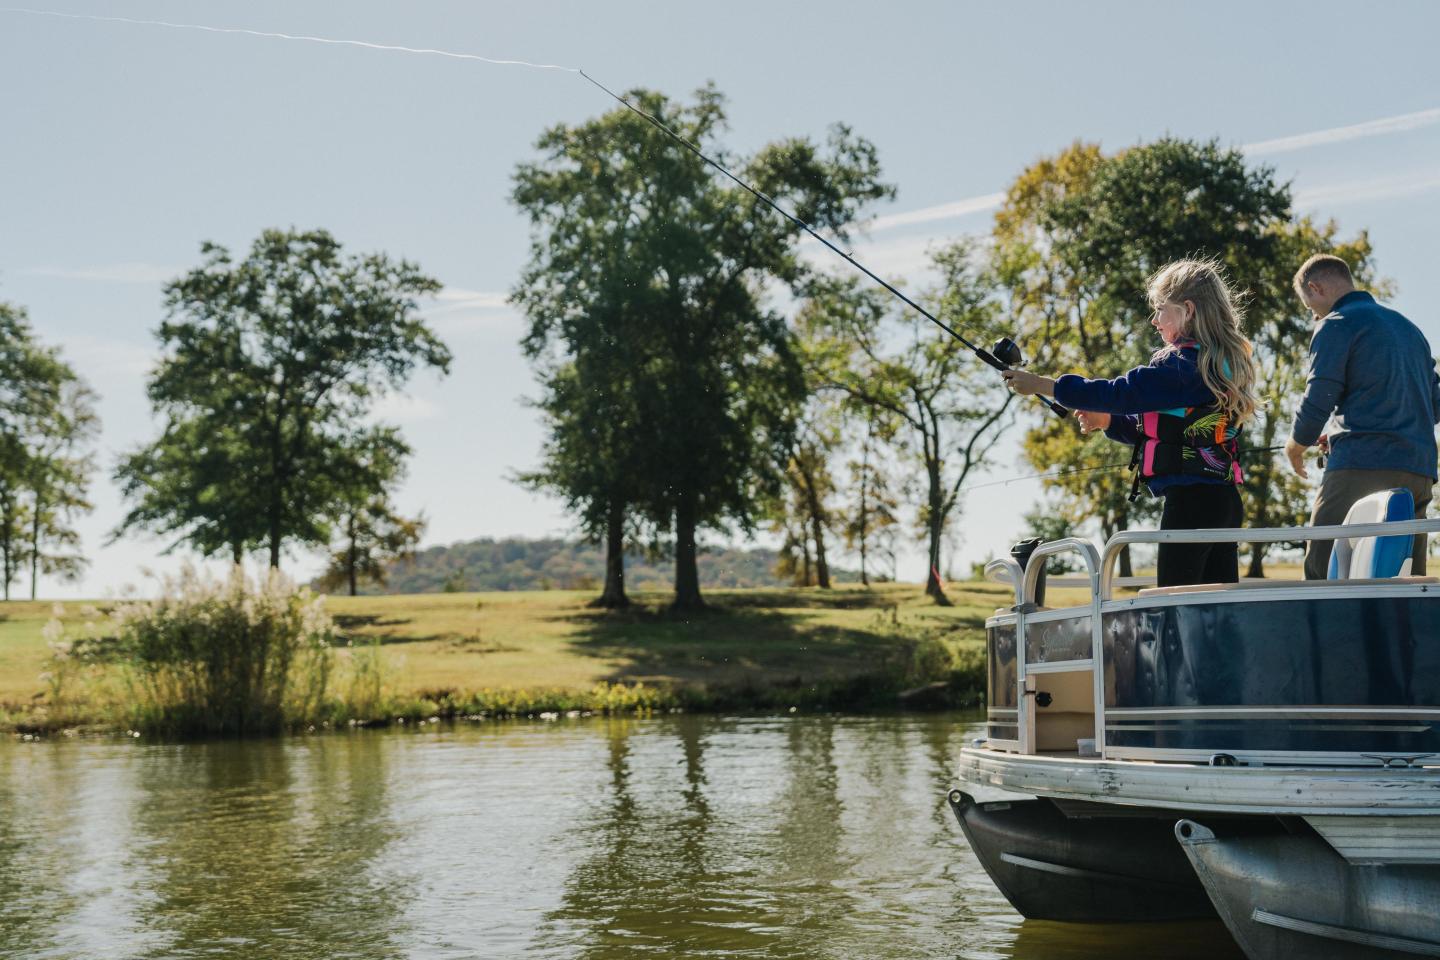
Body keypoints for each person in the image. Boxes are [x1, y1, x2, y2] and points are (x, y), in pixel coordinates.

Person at [1003, 259, 1258, 588]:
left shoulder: (1183, 368)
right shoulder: (1214, 367)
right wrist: (1108, 420)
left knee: (1175, 601)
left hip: (1191, 505)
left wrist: (1043, 385)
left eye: (1160, 309)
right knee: (1216, 608)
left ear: (1188, 311)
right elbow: (1155, 428)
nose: (1154, 321)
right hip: (1223, 501)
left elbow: (1121, 393)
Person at [1284, 254, 1440, 578]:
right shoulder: (1410, 330)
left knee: (1324, 570)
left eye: (1309, 306)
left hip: (1361, 465)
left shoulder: (1335, 323)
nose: (1313, 315)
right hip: (1418, 468)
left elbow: (1319, 398)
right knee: (1408, 578)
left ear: (1315, 288)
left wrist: (1295, 447)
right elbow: (1433, 405)